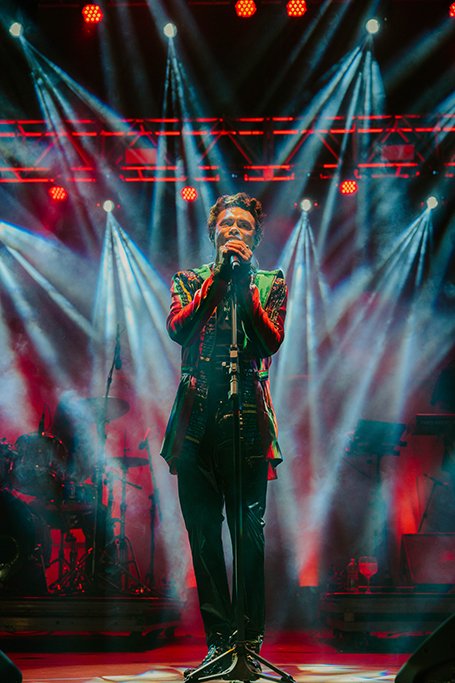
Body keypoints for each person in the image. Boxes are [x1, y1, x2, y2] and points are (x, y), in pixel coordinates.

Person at [160, 192, 287, 674]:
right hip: (195, 420)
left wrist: (244, 282)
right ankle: (218, 642)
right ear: (213, 232)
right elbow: (179, 329)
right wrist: (218, 278)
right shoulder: (189, 279)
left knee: (248, 535)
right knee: (204, 536)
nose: (235, 230)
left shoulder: (270, 282)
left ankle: (249, 642)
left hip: (248, 418)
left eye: (245, 226)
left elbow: (269, 340)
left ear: (256, 236)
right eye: (227, 224)